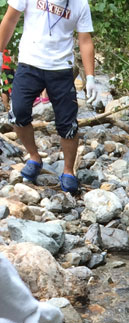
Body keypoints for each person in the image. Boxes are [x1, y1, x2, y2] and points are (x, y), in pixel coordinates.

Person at [0, 0, 97, 193]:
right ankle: (34, 156)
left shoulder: (80, 4)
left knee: (68, 124)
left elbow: (85, 40)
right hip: (29, 63)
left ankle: (69, 171)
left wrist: (91, 77)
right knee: (17, 114)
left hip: (61, 68)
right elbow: (10, 19)